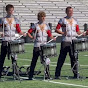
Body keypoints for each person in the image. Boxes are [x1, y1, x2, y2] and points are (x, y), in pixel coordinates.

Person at [55, 6, 83, 79]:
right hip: (65, 40)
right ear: (66, 12)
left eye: (71, 11)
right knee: (62, 58)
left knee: (74, 58)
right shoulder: (62, 20)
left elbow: (78, 31)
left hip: (74, 41)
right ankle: (57, 74)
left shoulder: (75, 20)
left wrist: (83, 33)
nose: (71, 13)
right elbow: (57, 29)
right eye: (69, 11)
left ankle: (75, 74)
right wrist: (62, 33)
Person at [0, 4, 26, 79]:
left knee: (14, 57)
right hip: (5, 39)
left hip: (13, 40)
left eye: (12, 10)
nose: (11, 12)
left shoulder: (16, 20)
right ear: (7, 11)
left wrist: (23, 33)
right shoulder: (2, 19)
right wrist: (1, 33)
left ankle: (15, 72)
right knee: (2, 56)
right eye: (10, 10)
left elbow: (18, 30)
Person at [28, 11, 56, 80]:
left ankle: (47, 75)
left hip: (45, 45)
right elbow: (29, 32)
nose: (43, 18)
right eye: (42, 16)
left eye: (44, 16)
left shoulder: (47, 25)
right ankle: (30, 75)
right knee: (34, 60)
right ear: (39, 17)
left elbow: (49, 34)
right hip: (37, 44)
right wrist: (32, 37)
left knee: (46, 60)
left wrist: (53, 38)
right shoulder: (35, 25)